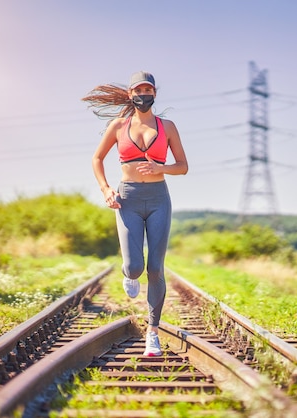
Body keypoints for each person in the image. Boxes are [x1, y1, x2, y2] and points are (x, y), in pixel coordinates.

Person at [83, 71, 188, 356]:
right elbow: (97, 158)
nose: (144, 94)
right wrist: (106, 189)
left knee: (155, 267)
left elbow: (182, 166)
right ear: (131, 94)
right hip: (127, 199)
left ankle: (152, 333)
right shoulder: (118, 126)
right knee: (135, 268)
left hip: (158, 199)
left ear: (155, 94)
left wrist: (160, 168)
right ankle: (128, 275)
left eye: (148, 90)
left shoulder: (168, 127)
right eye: (138, 90)